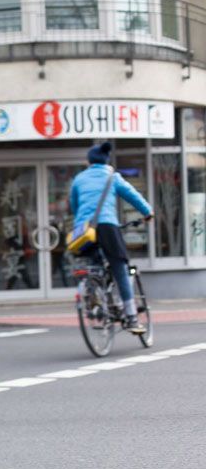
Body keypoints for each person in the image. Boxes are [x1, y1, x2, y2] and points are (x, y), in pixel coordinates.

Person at [69, 142, 154, 333]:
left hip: (84, 230)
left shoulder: (79, 179)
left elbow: (74, 206)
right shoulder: (112, 177)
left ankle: (95, 300)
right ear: (106, 160)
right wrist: (147, 212)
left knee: (94, 267)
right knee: (119, 268)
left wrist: (82, 221)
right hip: (107, 226)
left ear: (89, 161)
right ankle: (132, 317)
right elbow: (132, 195)